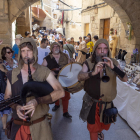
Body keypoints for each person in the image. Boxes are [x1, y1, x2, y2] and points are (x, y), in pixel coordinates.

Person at [4, 38, 64, 140]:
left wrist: (38, 101)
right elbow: (7, 97)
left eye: (29, 50)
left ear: (34, 51)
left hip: (41, 126)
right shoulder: (12, 73)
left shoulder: (44, 71)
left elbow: (61, 92)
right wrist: (16, 107)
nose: (26, 54)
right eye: (23, 51)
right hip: (19, 127)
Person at [78, 39, 128, 140]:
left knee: (104, 125)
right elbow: (80, 77)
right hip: (92, 103)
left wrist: (114, 68)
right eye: (99, 48)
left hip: (107, 104)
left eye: (105, 49)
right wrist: (92, 72)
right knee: (92, 128)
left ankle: (99, 132)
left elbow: (125, 79)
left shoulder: (113, 62)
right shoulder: (88, 62)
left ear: (107, 51)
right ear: (95, 49)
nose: (102, 51)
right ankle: (96, 134)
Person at [42, 42, 72, 118]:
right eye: (54, 47)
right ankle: (57, 104)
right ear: (51, 49)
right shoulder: (47, 58)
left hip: (64, 79)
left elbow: (70, 68)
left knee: (65, 96)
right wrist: (49, 72)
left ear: (60, 47)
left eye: (57, 46)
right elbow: (42, 69)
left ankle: (65, 112)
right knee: (55, 94)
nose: (56, 48)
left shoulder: (65, 56)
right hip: (53, 80)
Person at [0, 47, 18, 135]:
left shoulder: (15, 61)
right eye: (8, 52)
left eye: (11, 52)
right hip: (5, 88)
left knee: (14, 106)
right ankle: (4, 127)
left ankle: (13, 123)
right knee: (4, 108)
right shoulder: (2, 64)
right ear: (4, 55)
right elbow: (6, 72)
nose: (10, 53)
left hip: (16, 87)